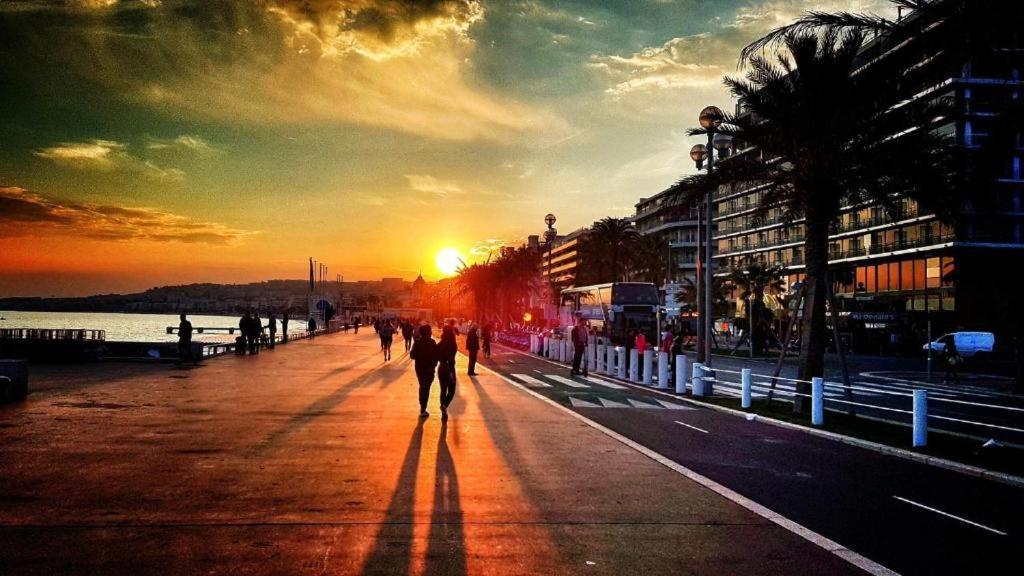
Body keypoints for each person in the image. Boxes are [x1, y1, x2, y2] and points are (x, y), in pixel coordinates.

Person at [410, 324, 438, 418]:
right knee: (426, 388)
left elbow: (412, 355)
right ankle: (423, 408)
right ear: (428, 332)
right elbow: (436, 355)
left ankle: (422, 408)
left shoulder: (417, 342)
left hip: (419, 368)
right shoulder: (432, 342)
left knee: (422, 387)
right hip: (429, 369)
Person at [436, 322, 458, 420]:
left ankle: (443, 410)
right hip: (450, 369)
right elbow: (452, 356)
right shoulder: (453, 344)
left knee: (443, 390)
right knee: (452, 390)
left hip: (441, 367)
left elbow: (435, 356)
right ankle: (444, 406)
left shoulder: (440, 344)